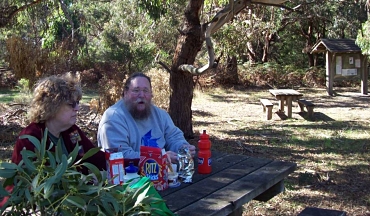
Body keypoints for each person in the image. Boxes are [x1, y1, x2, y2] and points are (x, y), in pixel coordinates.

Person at [11, 73, 106, 171]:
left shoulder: (72, 131)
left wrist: (120, 162)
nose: (77, 108)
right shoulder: (30, 138)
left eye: (77, 103)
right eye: (71, 104)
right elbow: (25, 180)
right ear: (51, 106)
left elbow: (97, 159)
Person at [97, 72, 195, 163]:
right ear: (125, 93)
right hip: (126, 178)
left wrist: (183, 148)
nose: (141, 95)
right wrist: (159, 157)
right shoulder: (113, 118)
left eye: (146, 90)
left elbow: (174, 137)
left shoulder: (160, 115)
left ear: (151, 94)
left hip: (161, 175)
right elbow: (120, 156)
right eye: (136, 90)